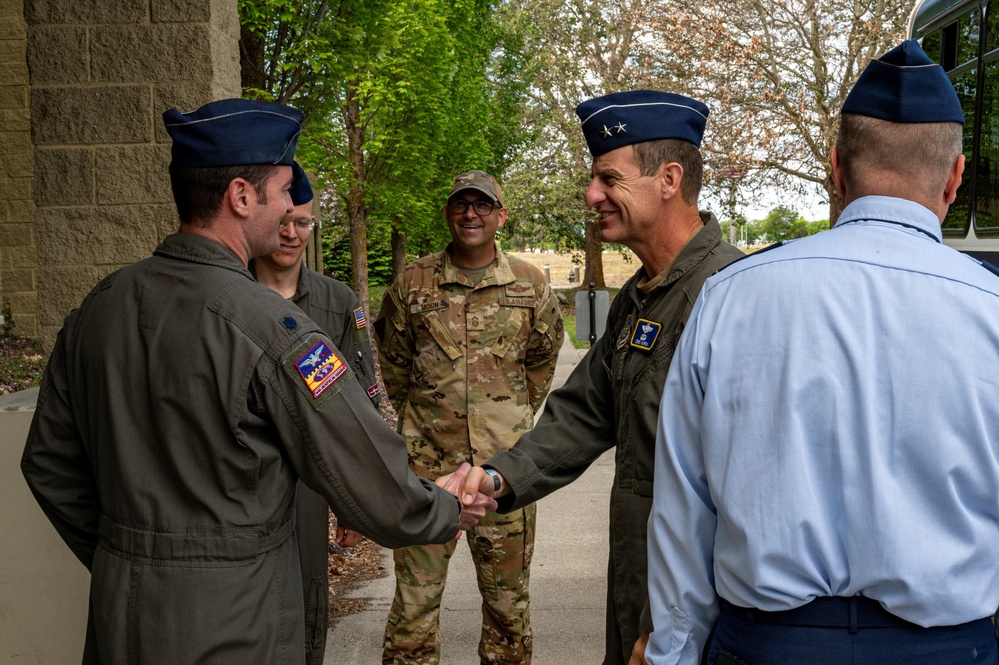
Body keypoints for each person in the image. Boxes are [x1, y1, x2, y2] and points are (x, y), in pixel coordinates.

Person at [19, 98, 494, 665]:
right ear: (242, 197)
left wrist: (130, 557)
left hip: (120, 611)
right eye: (285, 189)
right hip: (235, 620)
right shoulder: (275, 327)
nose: (293, 205)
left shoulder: (98, 307)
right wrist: (440, 508)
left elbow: (48, 463)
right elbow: (364, 471)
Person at [645, 41, 999, 665]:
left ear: (836, 168)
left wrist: (673, 654)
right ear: (955, 177)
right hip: (950, 648)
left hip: (765, 645)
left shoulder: (729, 297)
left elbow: (683, 511)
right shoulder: (991, 308)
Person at [456, 91, 744, 664]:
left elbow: (740, 492)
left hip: (696, 616)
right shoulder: (639, 299)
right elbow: (585, 414)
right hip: (640, 589)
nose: (592, 196)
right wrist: (493, 479)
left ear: (668, 179)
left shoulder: (733, 294)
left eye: (609, 179)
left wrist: (669, 624)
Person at [373, 169, 564, 664]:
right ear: (448, 213)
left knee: (508, 608)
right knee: (413, 609)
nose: (470, 213)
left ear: (500, 215)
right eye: (461, 204)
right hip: (427, 475)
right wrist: (424, 423)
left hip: (506, 476)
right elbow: (395, 363)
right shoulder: (412, 284)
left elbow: (542, 361)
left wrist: (510, 418)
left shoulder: (530, 284)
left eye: (482, 205)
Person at [252, 162, 379, 665]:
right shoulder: (232, 294)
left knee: (306, 600)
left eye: (302, 223)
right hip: (243, 471)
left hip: (307, 479)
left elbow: (361, 406)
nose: (290, 233)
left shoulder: (336, 302)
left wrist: (352, 503)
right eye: (283, 221)